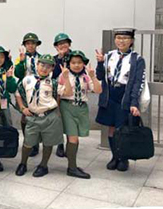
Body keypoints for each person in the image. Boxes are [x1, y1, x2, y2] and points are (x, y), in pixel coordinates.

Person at [95, 28, 145, 172]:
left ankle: (124, 159)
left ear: (131, 41)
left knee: (122, 129)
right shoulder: (109, 55)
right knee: (111, 127)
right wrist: (99, 62)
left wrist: (134, 103)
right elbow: (100, 76)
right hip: (110, 94)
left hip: (125, 95)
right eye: (118, 38)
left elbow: (137, 82)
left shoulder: (137, 59)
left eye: (125, 38)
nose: (121, 41)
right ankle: (115, 156)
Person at [15, 54, 72, 177]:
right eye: (42, 65)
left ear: (52, 68)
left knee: (48, 142)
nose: (44, 68)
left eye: (48, 66)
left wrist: (66, 78)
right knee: (28, 142)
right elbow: (18, 93)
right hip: (33, 116)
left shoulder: (53, 82)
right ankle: (23, 163)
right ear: (37, 65)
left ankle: (43, 165)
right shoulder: (27, 79)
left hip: (49, 116)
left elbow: (67, 92)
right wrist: (22, 108)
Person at [59, 50, 101, 179]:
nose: (76, 65)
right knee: (73, 137)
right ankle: (72, 167)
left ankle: (72, 164)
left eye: (79, 62)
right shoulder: (62, 76)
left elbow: (98, 90)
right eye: (73, 63)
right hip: (68, 107)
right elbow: (66, 93)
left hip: (82, 108)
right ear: (68, 64)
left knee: (76, 137)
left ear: (84, 64)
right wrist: (66, 78)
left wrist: (93, 77)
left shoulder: (86, 77)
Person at [15, 32, 42, 157]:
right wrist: (21, 62)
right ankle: (28, 141)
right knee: (25, 115)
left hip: (37, 89)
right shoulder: (20, 57)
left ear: (37, 45)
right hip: (24, 89)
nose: (30, 46)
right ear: (25, 45)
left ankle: (35, 143)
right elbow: (18, 74)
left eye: (33, 43)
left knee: (36, 116)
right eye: (28, 43)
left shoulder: (41, 58)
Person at [52, 33, 73, 158]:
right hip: (59, 93)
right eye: (59, 44)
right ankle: (60, 144)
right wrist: (60, 58)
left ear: (69, 44)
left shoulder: (75, 56)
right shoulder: (55, 59)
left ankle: (71, 145)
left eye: (65, 43)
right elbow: (52, 75)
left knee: (69, 119)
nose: (62, 45)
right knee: (59, 118)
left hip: (73, 93)